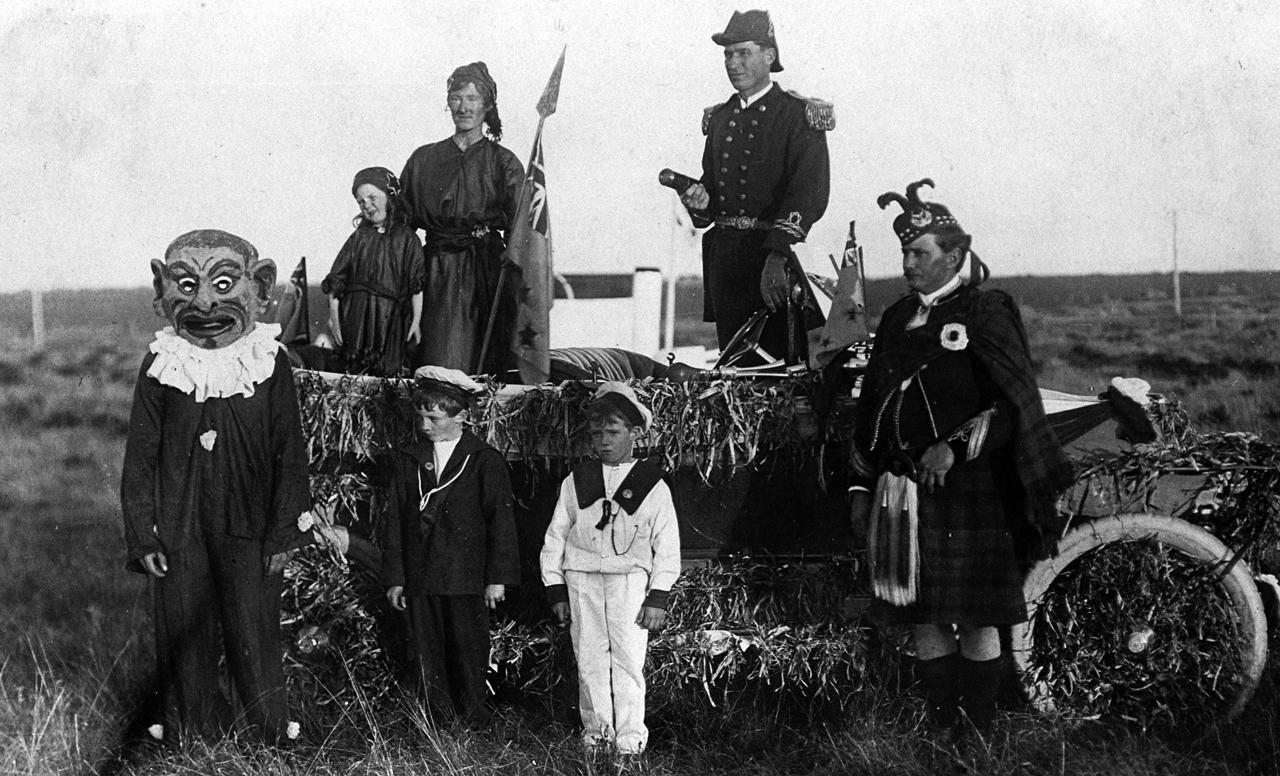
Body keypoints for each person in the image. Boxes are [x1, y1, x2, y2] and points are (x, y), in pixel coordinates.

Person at [850, 180, 1074, 738]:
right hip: (905, 492)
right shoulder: (899, 315)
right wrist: (865, 481)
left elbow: (1013, 399)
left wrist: (954, 446)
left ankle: (979, 733)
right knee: (925, 616)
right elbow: (875, 401)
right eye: (904, 252)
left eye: (919, 253)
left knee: (975, 619)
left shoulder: (986, 309)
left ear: (954, 255)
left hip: (972, 488)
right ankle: (942, 728)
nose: (908, 264)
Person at [121, 229, 313, 743]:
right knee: (183, 629)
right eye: (185, 286)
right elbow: (139, 459)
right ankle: (189, 734)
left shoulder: (270, 363)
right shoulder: (161, 365)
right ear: (161, 290)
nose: (204, 302)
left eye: (223, 283)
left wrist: (283, 534)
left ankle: (268, 734)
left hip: (249, 525)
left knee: (253, 628)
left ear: (261, 286)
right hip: (180, 526)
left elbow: (290, 454)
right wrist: (143, 535)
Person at [679, 9, 832, 361]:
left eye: (743, 52)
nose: (733, 63)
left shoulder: (798, 114)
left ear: (769, 56)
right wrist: (699, 203)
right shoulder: (718, 119)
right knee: (736, 371)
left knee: (782, 370)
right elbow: (714, 198)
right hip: (725, 267)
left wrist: (778, 255)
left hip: (775, 263)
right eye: (728, 55)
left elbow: (809, 192)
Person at [539, 383, 682, 757]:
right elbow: (556, 536)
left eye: (614, 432)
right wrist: (555, 587)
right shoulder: (577, 480)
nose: (603, 441)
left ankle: (630, 739)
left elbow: (667, 546)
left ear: (635, 434)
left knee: (628, 660)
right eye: (597, 433)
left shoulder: (652, 485)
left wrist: (658, 596)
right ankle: (597, 735)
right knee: (589, 659)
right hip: (582, 580)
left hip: (629, 584)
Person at [381, 366, 520, 725]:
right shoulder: (408, 458)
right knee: (427, 649)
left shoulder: (483, 461)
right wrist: (396, 577)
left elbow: (500, 523)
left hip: (465, 577)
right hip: (421, 575)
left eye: (435, 417)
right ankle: (438, 721)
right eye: (421, 416)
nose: (425, 426)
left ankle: (473, 717)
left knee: (467, 648)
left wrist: (496, 578)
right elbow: (395, 520)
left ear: (463, 416)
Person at [400, 62, 525, 375]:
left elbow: (522, 231)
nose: (463, 107)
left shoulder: (503, 162)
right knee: (436, 357)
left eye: (472, 99)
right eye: (456, 98)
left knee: (487, 364)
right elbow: (402, 225)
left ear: (487, 105)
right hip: (435, 272)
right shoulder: (423, 158)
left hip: (485, 272)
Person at [322, 167, 424, 376]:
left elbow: (417, 286)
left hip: (390, 317)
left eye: (372, 197)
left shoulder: (408, 239)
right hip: (356, 315)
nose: (366, 205)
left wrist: (416, 322)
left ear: (390, 196)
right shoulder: (358, 238)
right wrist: (335, 320)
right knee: (354, 370)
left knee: (386, 370)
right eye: (360, 201)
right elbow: (335, 282)